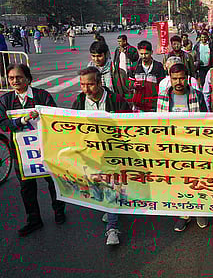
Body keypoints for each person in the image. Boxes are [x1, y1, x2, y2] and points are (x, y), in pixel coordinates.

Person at [0, 64, 66, 237]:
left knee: (53, 182)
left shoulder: (42, 96)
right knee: (26, 187)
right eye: (12, 78)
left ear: (28, 78)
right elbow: (3, 124)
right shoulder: (5, 100)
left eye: (19, 77)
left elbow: (55, 118)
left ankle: (59, 211)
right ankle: (34, 219)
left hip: (45, 150)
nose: (15, 81)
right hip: (22, 153)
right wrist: (21, 121)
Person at [72, 66, 131, 245]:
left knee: (111, 186)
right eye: (82, 85)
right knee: (100, 187)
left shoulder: (116, 100)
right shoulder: (80, 101)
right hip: (92, 154)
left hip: (114, 153)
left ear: (99, 83)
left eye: (90, 84)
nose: (86, 89)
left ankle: (112, 229)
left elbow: (129, 125)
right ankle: (112, 207)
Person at [157, 63, 209, 231]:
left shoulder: (197, 96)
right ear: (169, 79)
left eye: (181, 78)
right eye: (174, 78)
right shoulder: (163, 97)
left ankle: (200, 210)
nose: (178, 82)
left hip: (194, 146)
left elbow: (205, 121)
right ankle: (184, 214)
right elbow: (157, 123)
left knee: (197, 181)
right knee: (180, 182)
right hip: (173, 148)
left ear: (187, 79)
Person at [128, 40, 166, 112]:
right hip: (138, 105)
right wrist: (133, 84)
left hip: (153, 105)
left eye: (146, 54)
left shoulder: (158, 66)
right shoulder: (134, 66)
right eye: (141, 54)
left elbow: (163, 86)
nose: (143, 56)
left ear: (151, 52)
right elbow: (129, 84)